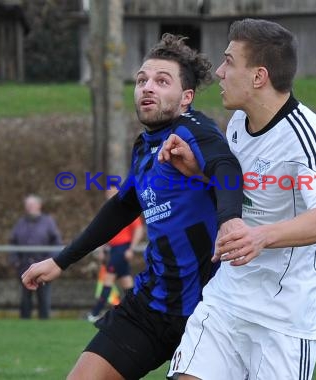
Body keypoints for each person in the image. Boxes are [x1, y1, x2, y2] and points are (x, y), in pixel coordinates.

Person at [21, 33, 244, 380]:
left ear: (186, 97)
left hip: (208, 310)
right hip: (152, 306)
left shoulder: (193, 130)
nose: (147, 88)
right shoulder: (145, 147)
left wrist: (230, 221)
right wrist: (60, 260)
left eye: (161, 81)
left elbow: (225, 166)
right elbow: (123, 207)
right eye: (141, 80)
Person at [159, 18, 316, 380]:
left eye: (229, 61)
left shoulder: (307, 136)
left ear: (259, 76)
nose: (219, 72)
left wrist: (260, 236)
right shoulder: (237, 122)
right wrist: (198, 171)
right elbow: (243, 189)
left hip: (283, 318)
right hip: (226, 299)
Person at [87, 188, 145, 323]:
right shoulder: (110, 212)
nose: (109, 197)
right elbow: (104, 232)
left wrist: (131, 248)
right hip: (114, 249)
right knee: (126, 282)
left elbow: (139, 229)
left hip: (122, 249)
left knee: (108, 279)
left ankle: (95, 313)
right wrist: (102, 250)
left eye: (112, 194)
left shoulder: (128, 210)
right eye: (107, 195)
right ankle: (138, 312)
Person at [9, 194, 62, 319]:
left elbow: (56, 243)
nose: (30, 208)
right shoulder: (20, 223)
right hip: (24, 267)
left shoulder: (48, 222)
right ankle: (24, 324)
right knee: (25, 300)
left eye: (32, 205)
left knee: (44, 298)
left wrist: (51, 261)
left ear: (39, 205)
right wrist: (15, 261)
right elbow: (13, 242)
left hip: (43, 267)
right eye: (28, 205)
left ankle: (44, 324)